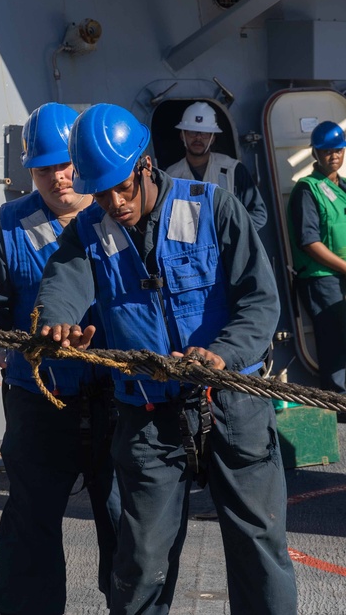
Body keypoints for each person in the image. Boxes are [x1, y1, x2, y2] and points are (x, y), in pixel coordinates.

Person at [33, 104, 296, 615]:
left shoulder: (214, 207)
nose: (115, 202)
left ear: (146, 166)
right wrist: (57, 323)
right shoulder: (90, 229)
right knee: (142, 559)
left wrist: (221, 355)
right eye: (101, 192)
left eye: (122, 187)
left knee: (258, 546)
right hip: (149, 417)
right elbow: (63, 283)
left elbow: (260, 302)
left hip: (233, 406)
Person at [0, 104, 117, 615]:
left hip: (116, 400)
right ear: (30, 170)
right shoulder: (10, 227)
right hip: (40, 399)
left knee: (125, 520)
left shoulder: (120, 214)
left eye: (67, 164)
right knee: (32, 519)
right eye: (45, 167)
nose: (58, 176)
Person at [288, 120, 346, 395]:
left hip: (341, 275)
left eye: (338, 150)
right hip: (321, 279)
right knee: (335, 344)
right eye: (326, 151)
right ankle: (341, 409)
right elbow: (309, 242)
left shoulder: (342, 188)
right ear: (315, 153)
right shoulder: (307, 190)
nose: (333, 156)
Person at [165, 101, 267, 231]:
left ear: (212, 138)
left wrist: (234, 233)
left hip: (229, 248)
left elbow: (258, 214)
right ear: (182, 135)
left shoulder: (233, 169)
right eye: (192, 132)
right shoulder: (171, 176)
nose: (198, 138)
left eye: (205, 133)